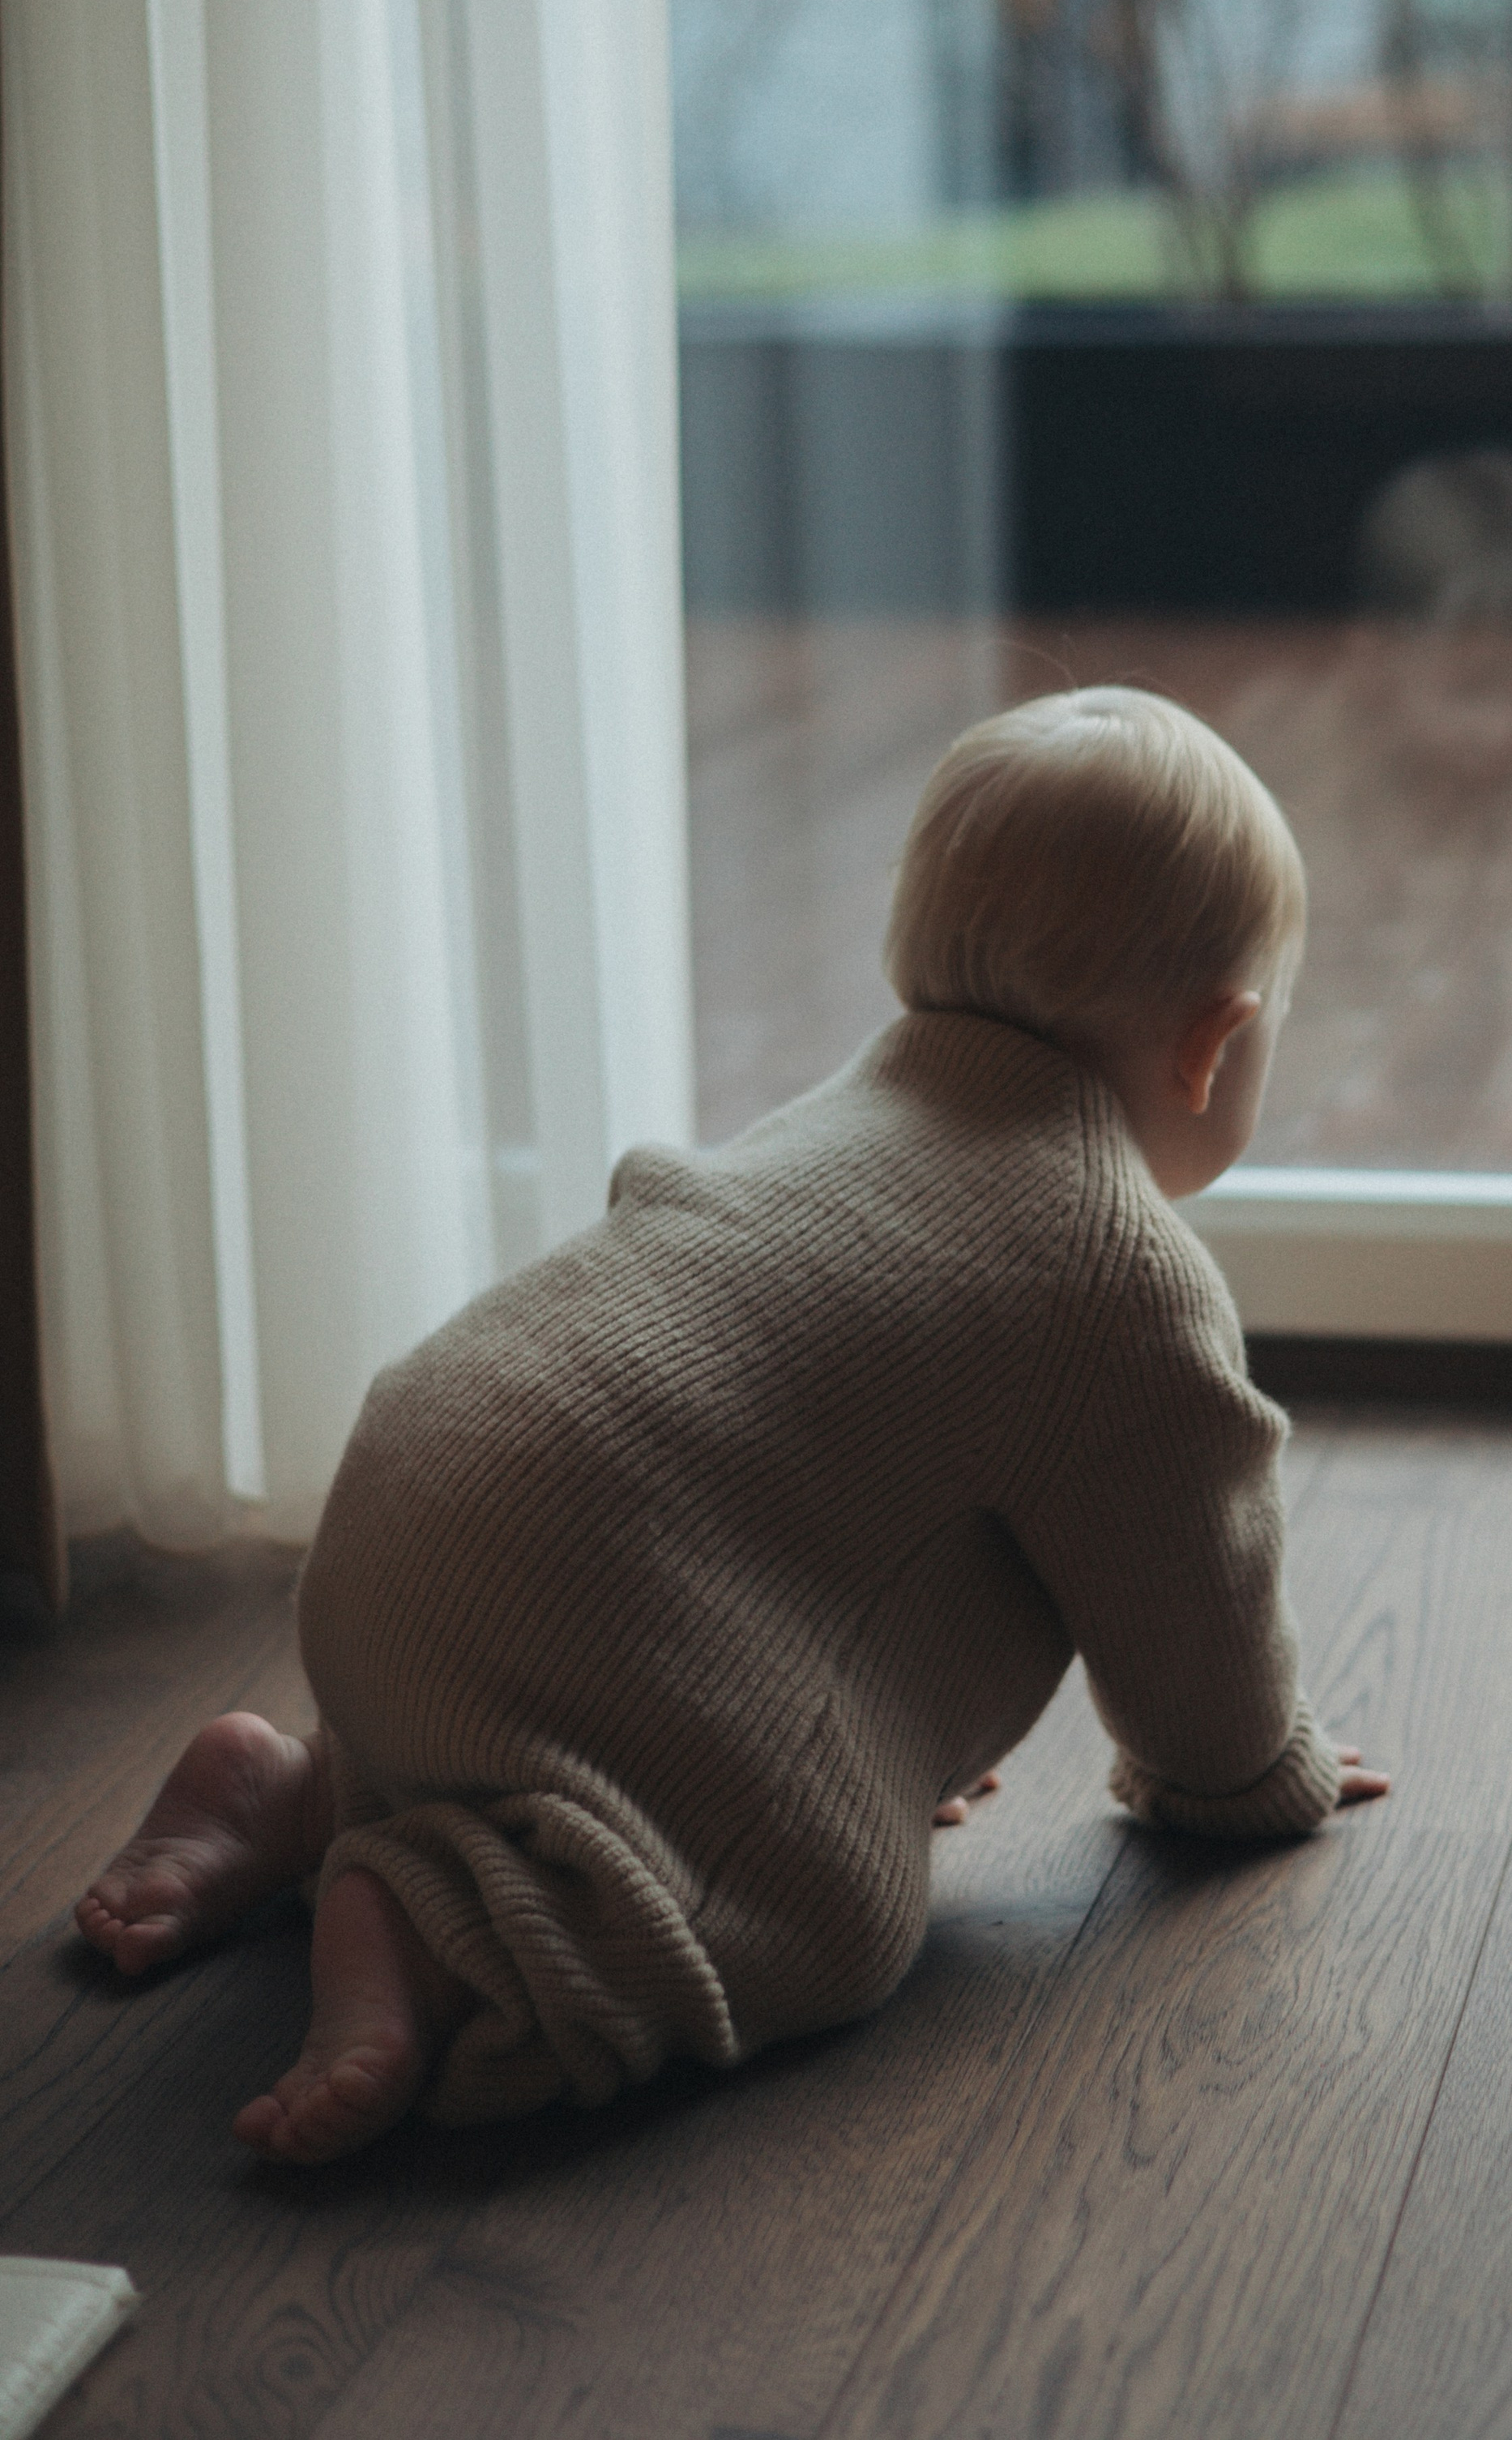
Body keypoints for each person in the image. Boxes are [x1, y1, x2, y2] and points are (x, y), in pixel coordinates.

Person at [75, 686, 1388, 2165]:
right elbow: (1188, 1594)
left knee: (500, 1707)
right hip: (581, 1584)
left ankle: (308, 1785)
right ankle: (432, 1930)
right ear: (1218, 1044)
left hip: (411, 1500)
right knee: (815, 1899)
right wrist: (1248, 1771)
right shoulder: (1114, 1263)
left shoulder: (853, 1108)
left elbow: (792, 1493)